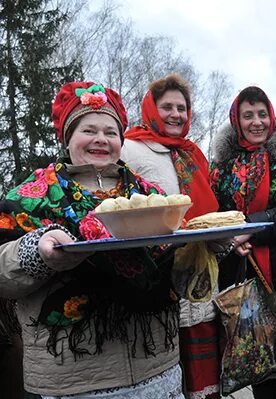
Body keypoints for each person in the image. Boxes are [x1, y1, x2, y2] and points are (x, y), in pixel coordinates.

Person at [0, 82, 183, 397]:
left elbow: (177, 271)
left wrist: (209, 251)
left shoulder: (152, 196)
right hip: (75, 379)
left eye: (111, 133)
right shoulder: (31, 197)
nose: (101, 139)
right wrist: (37, 253)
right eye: (88, 130)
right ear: (68, 137)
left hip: (157, 366)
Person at [121, 73, 221, 399]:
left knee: (201, 367)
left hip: (200, 271)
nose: (176, 114)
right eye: (167, 107)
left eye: (182, 107)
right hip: (155, 272)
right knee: (162, 360)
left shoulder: (193, 153)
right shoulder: (130, 148)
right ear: (151, 107)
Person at [209, 85, 276, 399]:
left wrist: (250, 227)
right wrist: (230, 239)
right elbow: (217, 213)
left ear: (272, 115)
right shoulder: (222, 167)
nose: (256, 122)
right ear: (236, 121)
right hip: (241, 268)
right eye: (248, 115)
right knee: (258, 356)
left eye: (262, 114)